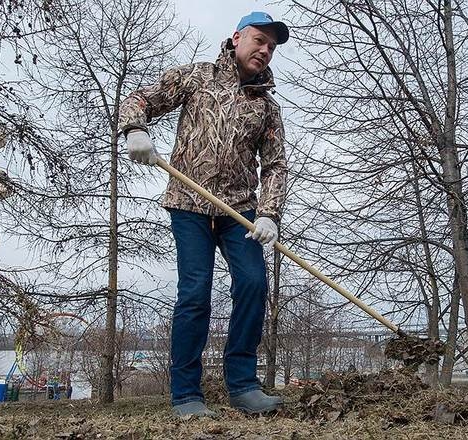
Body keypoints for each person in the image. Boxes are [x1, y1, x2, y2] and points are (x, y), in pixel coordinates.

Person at [119, 11, 289, 418]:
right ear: (236, 38)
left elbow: (277, 165)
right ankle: (186, 395)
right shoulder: (196, 77)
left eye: (271, 46)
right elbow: (139, 99)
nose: (264, 50)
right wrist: (136, 130)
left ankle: (244, 386)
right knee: (194, 295)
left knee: (252, 284)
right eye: (258, 40)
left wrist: (269, 214)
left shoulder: (266, 108)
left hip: (240, 211)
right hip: (188, 205)